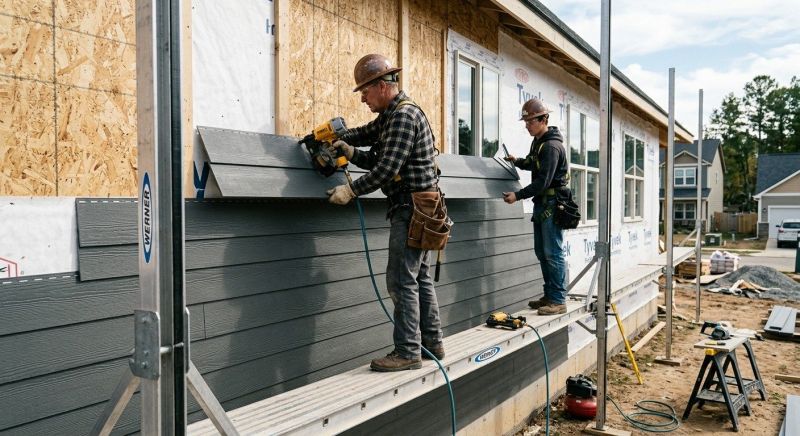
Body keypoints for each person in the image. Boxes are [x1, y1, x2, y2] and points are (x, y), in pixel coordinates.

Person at [326, 54, 444, 372]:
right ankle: (432, 343)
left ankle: (407, 352)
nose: (362, 98)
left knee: (400, 280)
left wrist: (350, 191)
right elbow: (366, 136)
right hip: (422, 207)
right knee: (418, 278)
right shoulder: (392, 114)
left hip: (413, 208)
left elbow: (386, 169)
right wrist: (341, 143)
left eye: (365, 91)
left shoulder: (403, 116)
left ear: (382, 85)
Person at [502, 98, 570, 315]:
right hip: (542, 203)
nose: (527, 125)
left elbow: (543, 182)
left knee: (553, 252)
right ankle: (550, 295)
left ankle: (558, 300)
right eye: (526, 121)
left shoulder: (551, 146)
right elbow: (534, 162)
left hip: (552, 203)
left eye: (530, 121)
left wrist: (518, 195)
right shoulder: (539, 142)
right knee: (542, 252)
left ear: (544, 120)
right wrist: (518, 161)